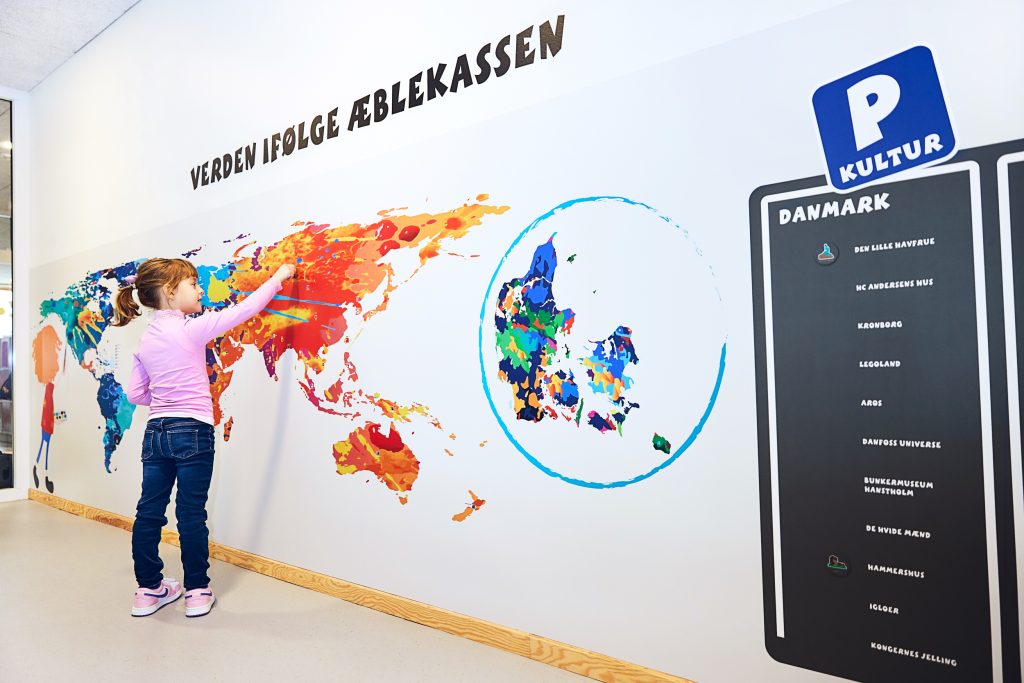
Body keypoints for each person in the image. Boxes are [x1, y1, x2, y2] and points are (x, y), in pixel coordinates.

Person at [113, 257, 295, 617]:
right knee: (191, 513)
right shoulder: (190, 329)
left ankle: (148, 591)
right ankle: (196, 592)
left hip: (156, 432)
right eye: (193, 284)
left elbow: (135, 394)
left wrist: (165, 400)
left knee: (149, 512)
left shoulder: (145, 340)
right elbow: (245, 310)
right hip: (192, 430)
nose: (200, 290)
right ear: (170, 292)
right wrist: (280, 275)